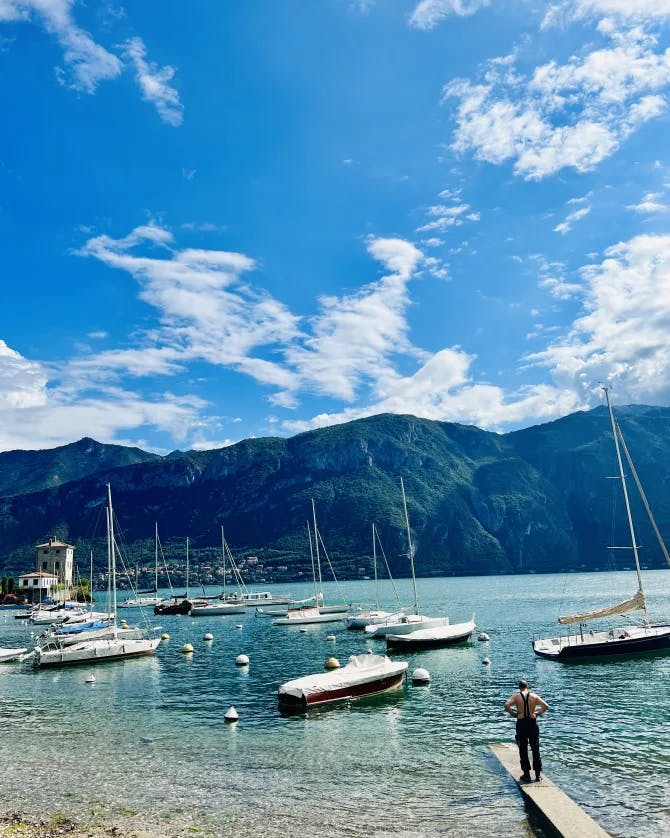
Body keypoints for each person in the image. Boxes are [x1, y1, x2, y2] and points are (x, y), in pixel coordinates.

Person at [504, 679, 549, 782]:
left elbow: (506, 705)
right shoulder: (534, 696)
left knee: (523, 750)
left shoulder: (516, 696)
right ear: (527, 687)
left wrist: (513, 714)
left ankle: (527, 775)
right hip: (532, 724)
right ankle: (538, 775)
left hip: (522, 724)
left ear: (519, 687)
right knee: (535, 749)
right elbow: (546, 706)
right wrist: (537, 713)